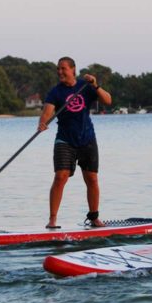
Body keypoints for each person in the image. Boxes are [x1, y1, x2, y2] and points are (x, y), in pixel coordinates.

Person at [38, 57, 112, 229]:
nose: (60, 72)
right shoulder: (55, 92)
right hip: (65, 139)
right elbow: (47, 111)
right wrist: (43, 122)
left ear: (73, 69)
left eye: (63, 68)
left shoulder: (85, 87)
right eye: (58, 69)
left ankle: (94, 217)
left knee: (92, 179)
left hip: (87, 138)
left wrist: (95, 85)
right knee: (60, 177)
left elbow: (108, 101)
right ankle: (52, 220)